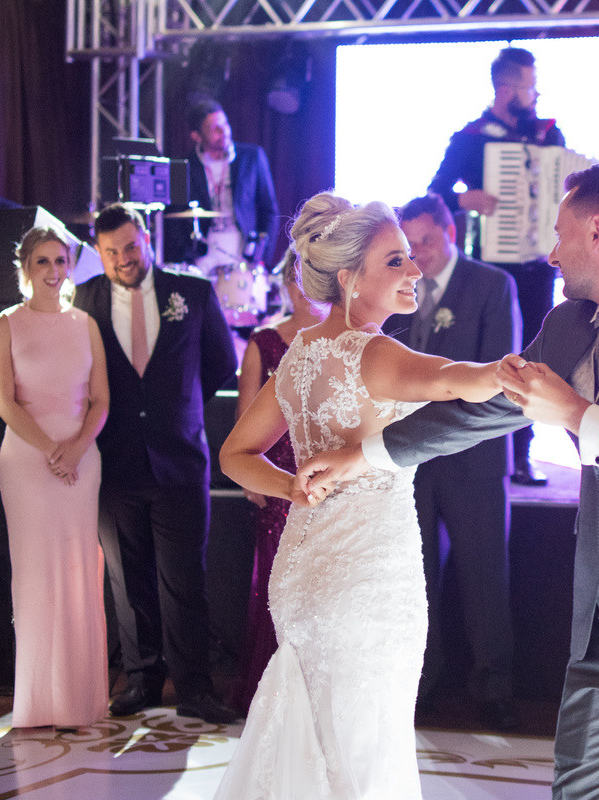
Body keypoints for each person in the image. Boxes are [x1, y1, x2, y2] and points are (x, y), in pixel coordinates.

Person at [301, 162, 599, 800]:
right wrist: (366, 454)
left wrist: (572, 412)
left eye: (559, 235)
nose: (550, 252)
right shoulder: (567, 325)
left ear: (597, 230)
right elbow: (482, 412)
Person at [212, 192, 507, 799]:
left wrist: (293, 489)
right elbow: (455, 379)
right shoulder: (376, 352)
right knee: (367, 741)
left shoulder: (296, 356)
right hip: (370, 579)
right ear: (349, 279)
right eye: (396, 260)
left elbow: (235, 456)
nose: (415, 271)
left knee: (313, 727)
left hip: (302, 569)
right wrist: (523, 373)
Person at [74, 204, 239, 725]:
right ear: (99, 255)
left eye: (130, 246)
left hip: (180, 459)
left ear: (146, 240)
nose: (124, 258)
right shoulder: (86, 302)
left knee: (184, 579)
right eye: (111, 252)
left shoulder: (191, 293)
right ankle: (141, 680)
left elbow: (221, 363)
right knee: (127, 580)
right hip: (116, 462)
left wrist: (176, 407)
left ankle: (193, 687)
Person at [385, 192, 522, 730]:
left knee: (484, 573)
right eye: (409, 245)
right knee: (414, 578)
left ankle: (494, 689)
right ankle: (421, 683)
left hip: (474, 456)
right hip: (411, 460)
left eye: (426, 241)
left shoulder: (492, 285)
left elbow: (497, 379)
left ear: (451, 231)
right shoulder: (400, 290)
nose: (418, 254)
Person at [0, 227, 111, 728]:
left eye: (60, 260)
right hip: (26, 463)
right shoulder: (4, 325)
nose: (53, 271)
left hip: (82, 462)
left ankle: (79, 699)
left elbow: (101, 399)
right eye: (42, 261)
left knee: (80, 572)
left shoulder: (86, 324)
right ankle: (37, 701)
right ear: (25, 267)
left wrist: (76, 448)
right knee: (35, 576)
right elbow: (2, 401)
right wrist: (50, 451)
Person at [428, 46, 565, 486]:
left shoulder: (549, 135)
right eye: (530, 86)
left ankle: (523, 456)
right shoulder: (470, 138)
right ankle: (482, 449)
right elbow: (435, 195)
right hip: (490, 267)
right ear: (507, 88)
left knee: (532, 356)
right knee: (490, 357)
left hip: (538, 267)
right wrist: (465, 199)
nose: (537, 94)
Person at [226, 246, 327, 713]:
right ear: (287, 284)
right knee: (276, 588)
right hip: (278, 481)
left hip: (328, 478)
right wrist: (258, 479)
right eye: (297, 279)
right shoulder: (265, 343)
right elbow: (246, 418)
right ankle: (272, 699)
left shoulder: (340, 341)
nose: (305, 289)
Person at [165, 97, 280, 269]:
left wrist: (262, 256)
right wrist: (185, 256)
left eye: (225, 124)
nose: (224, 131)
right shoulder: (184, 165)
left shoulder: (252, 157)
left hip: (243, 249)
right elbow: (173, 217)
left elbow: (269, 210)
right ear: (196, 136)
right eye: (214, 128)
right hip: (202, 252)